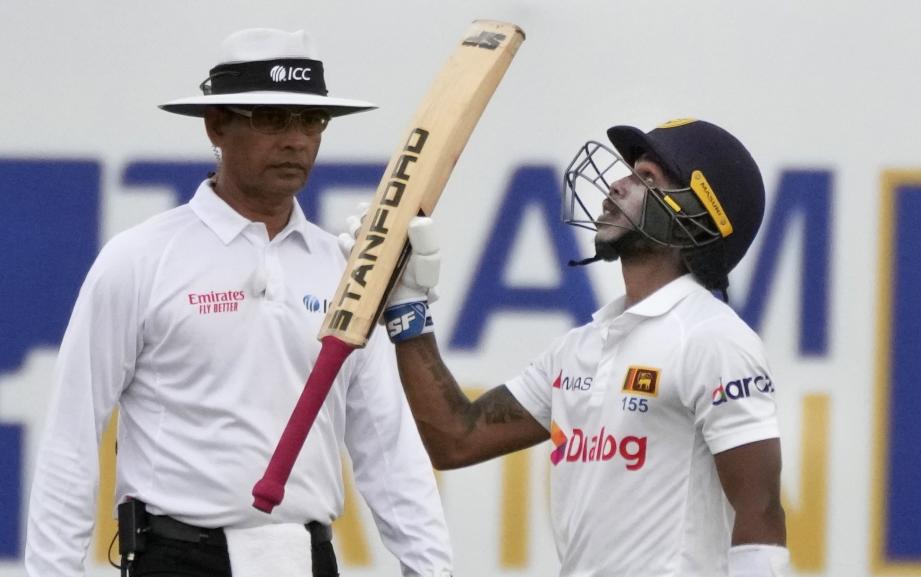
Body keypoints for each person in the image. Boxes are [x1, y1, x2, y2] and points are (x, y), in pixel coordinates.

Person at [25, 28, 453, 577]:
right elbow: (71, 436)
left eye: (311, 121)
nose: (296, 140)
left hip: (308, 556)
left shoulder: (344, 269)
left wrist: (432, 569)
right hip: (177, 559)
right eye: (272, 119)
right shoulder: (140, 259)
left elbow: (387, 445)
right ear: (216, 125)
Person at [380, 118, 792, 576]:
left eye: (645, 179)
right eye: (629, 171)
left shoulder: (714, 340)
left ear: (694, 218)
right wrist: (406, 306)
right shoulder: (579, 348)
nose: (617, 185)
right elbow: (456, 438)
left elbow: (761, 510)